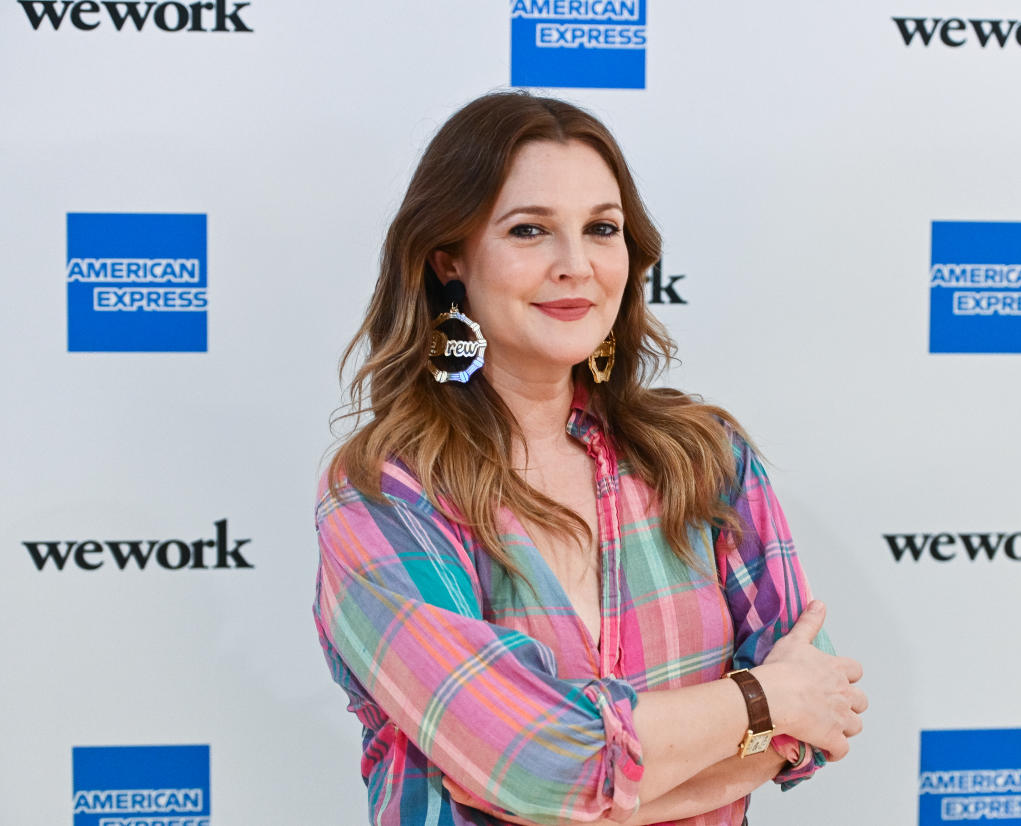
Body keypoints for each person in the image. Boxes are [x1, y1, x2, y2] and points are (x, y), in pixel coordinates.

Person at [314, 91, 867, 826]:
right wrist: (762, 700)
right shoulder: (385, 493)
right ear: (450, 259)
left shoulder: (706, 458)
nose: (575, 265)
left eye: (601, 229)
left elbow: (819, 712)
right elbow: (538, 763)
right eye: (529, 230)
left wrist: (585, 794)